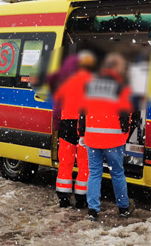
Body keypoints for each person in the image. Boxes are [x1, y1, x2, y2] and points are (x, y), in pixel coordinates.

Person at [79, 53, 133, 221]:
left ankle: (93, 210)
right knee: (117, 173)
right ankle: (123, 207)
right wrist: (125, 133)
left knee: (94, 173)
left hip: (92, 139)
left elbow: (82, 112)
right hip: (114, 140)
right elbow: (127, 114)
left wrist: (82, 133)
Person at [53, 50, 96, 209]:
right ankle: (81, 199)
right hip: (84, 127)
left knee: (65, 163)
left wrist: (57, 126)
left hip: (66, 126)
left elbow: (57, 107)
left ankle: (63, 199)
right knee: (85, 165)